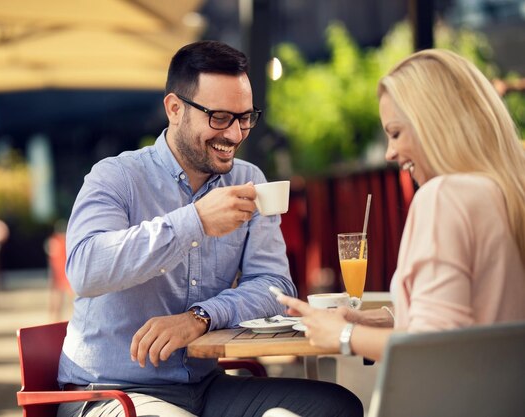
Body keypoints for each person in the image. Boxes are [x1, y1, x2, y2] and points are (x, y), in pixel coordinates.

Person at [57, 40, 363, 417]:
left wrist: (200, 318)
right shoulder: (116, 177)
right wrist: (195, 221)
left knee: (335, 407)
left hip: (204, 387)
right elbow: (85, 271)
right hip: (108, 392)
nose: (235, 134)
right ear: (174, 109)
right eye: (219, 117)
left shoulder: (250, 180)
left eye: (245, 117)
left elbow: (275, 286)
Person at [277, 49, 525, 364]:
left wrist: (342, 335)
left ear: (435, 125)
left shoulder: (444, 196)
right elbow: (478, 320)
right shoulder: (509, 189)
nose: (389, 153)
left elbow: (434, 346)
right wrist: (382, 318)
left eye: (395, 133)